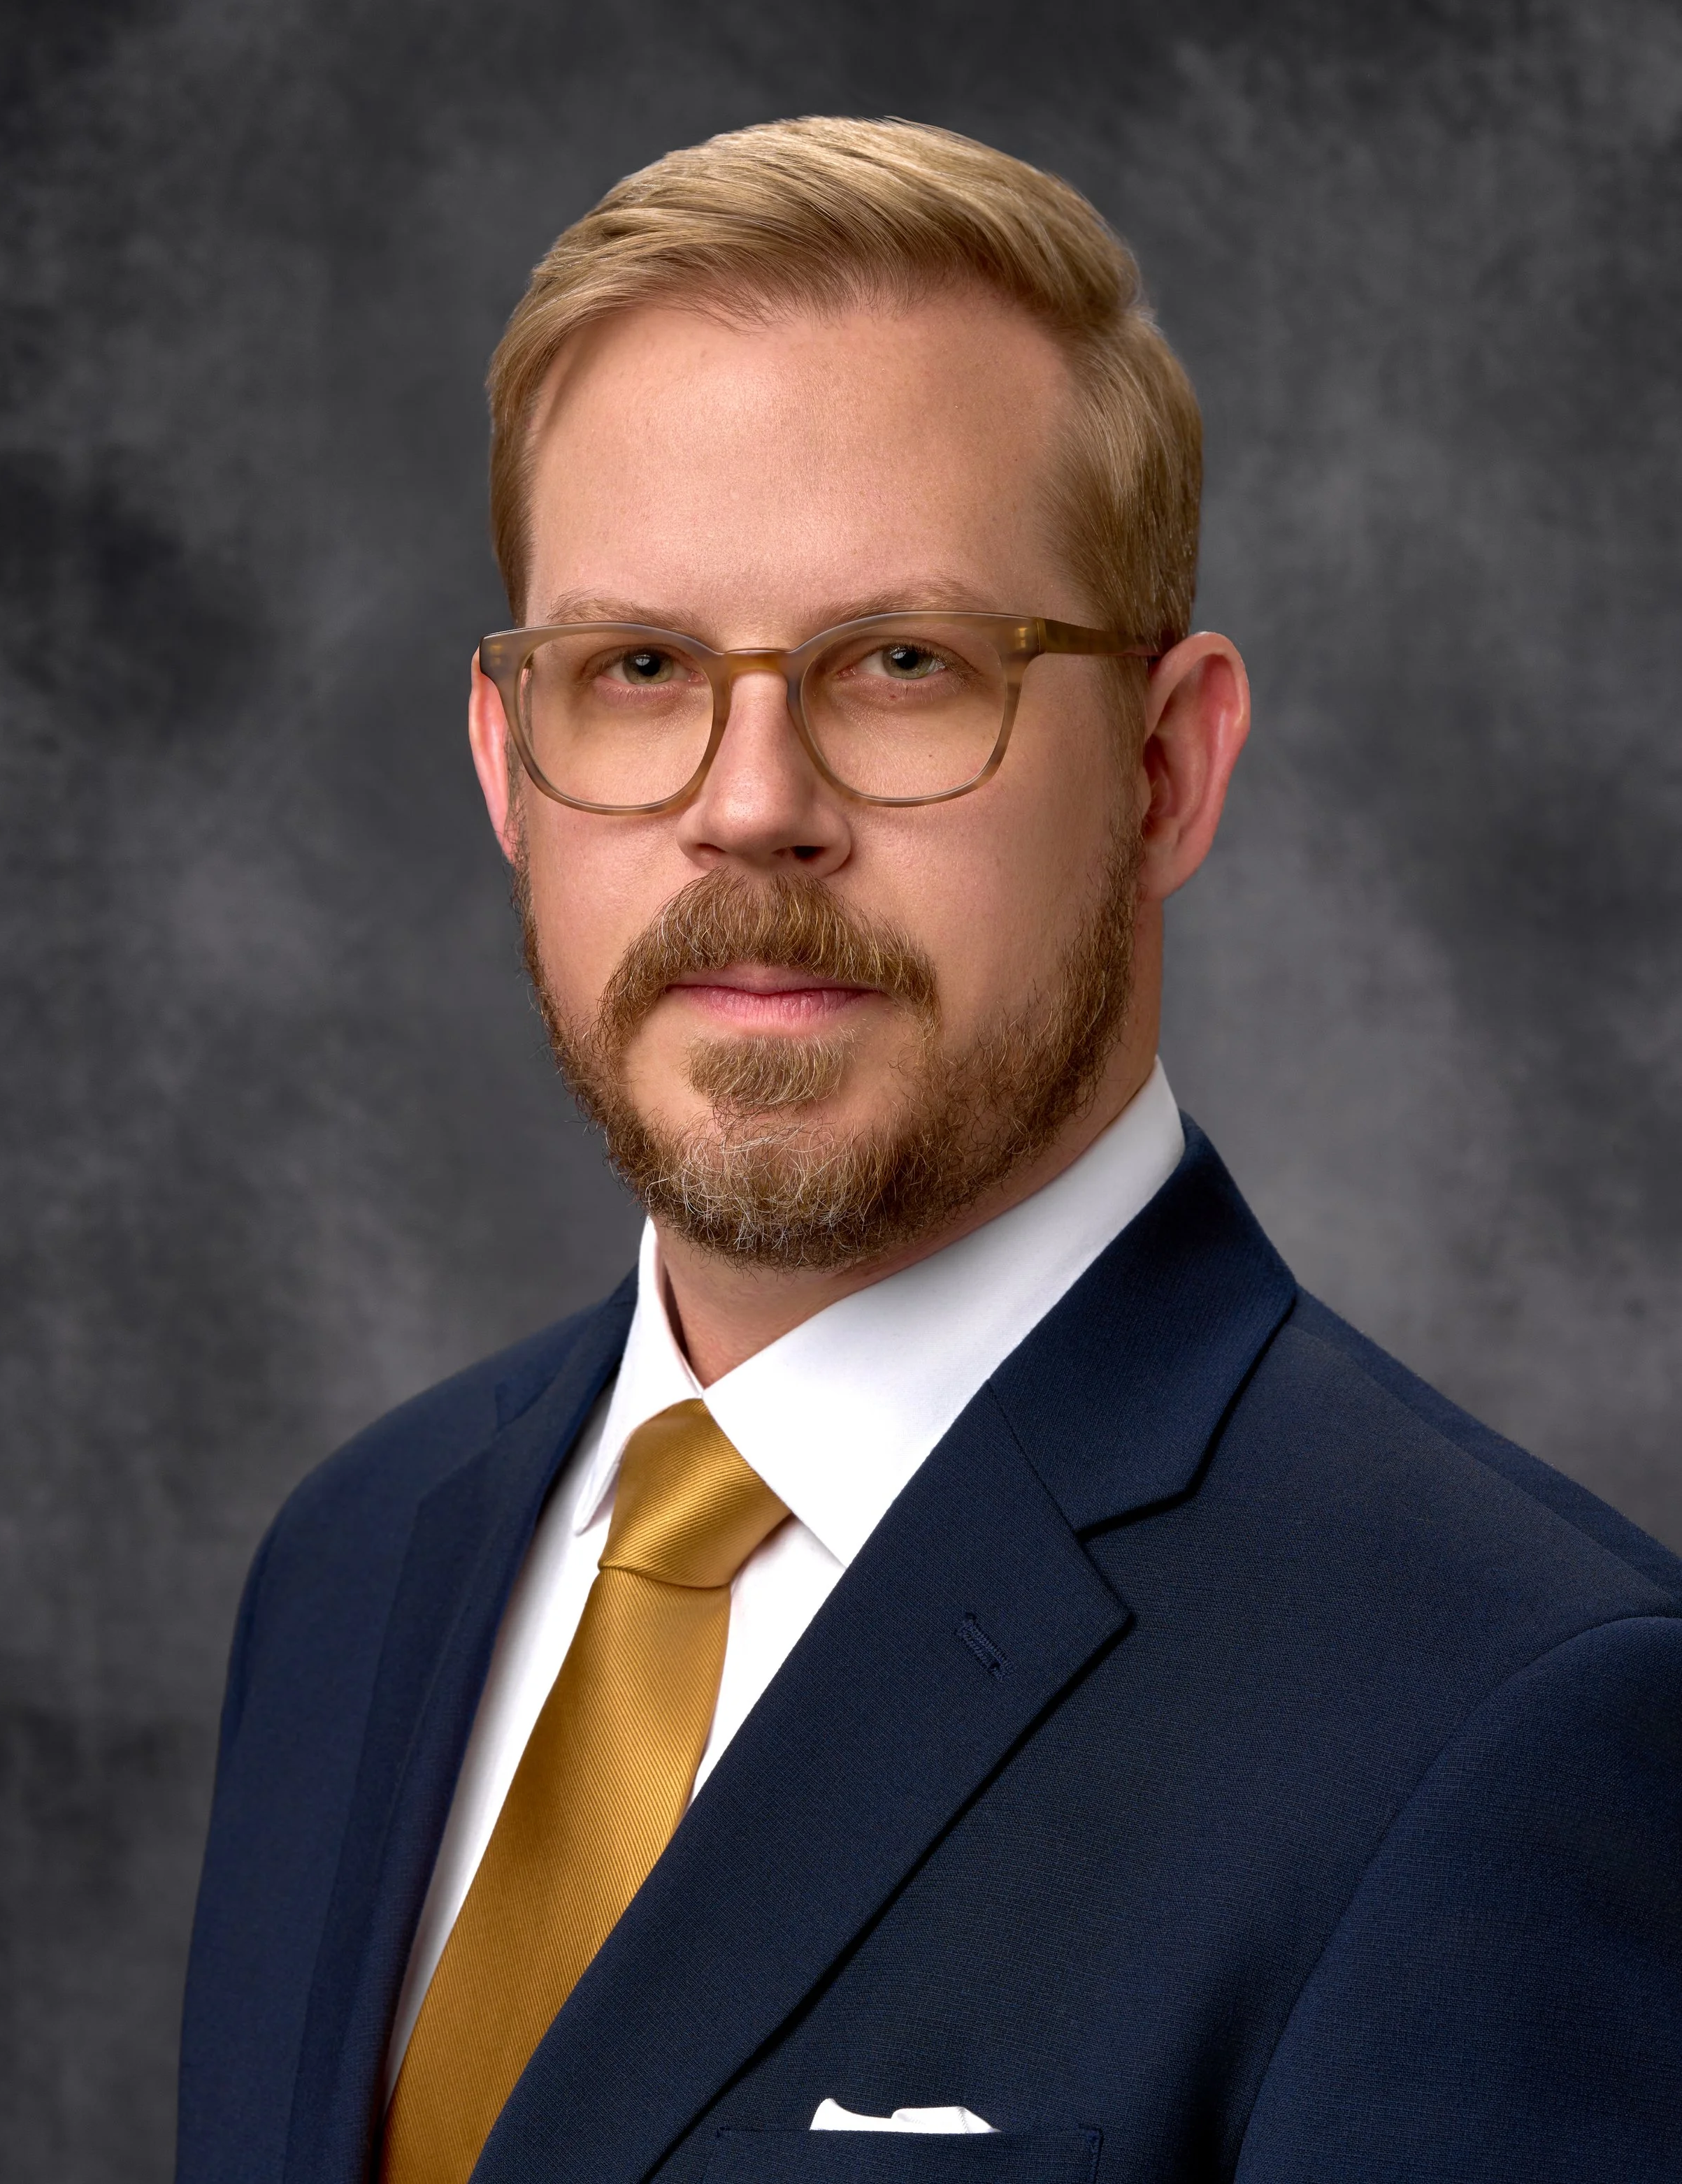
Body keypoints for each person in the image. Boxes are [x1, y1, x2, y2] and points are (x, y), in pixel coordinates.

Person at [176, 118, 1682, 2184]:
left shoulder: (1514, 1715)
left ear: (1164, 769)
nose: (751, 806)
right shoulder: (358, 1560)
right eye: (636, 669)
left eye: (904, 664)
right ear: (509, 766)